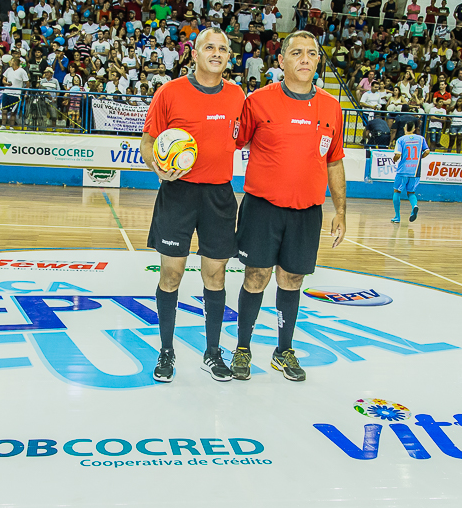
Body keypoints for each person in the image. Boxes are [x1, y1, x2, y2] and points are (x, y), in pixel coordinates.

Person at [230, 30, 347, 383]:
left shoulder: (331, 106)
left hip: (307, 211)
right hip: (262, 208)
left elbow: (335, 162)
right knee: (256, 276)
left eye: (311, 53)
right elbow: (232, 142)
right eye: (297, 53)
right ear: (281, 61)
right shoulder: (258, 101)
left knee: (292, 278)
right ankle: (243, 348)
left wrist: (341, 210)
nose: (305, 59)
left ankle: (283, 351)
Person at [139, 27, 246, 383]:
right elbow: (149, 140)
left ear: (229, 57)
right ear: (194, 54)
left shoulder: (237, 95)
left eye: (223, 49)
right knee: (172, 274)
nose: (216, 53)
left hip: (218, 196)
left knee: (215, 276)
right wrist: (159, 169)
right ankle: (166, 350)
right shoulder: (169, 92)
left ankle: (212, 353)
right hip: (178, 195)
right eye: (209, 47)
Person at [391, 119, 429, 223]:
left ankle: (397, 217)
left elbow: (398, 154)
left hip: (403, 170)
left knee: (397, 191)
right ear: (414, 128)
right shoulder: (421, 139)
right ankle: (414, 206)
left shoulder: (401, 139)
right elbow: (427, 151)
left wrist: (394, 160)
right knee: (411, 192)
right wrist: (419, 158)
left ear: (405, 128)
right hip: (415, 170)